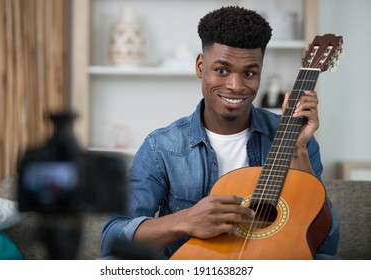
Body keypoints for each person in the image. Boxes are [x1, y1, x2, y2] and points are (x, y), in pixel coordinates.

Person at [101, 6, 340, 260]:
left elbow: (327, 243)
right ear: (200, 66)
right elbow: (112, 239)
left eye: (249, 73)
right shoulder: (160, 147)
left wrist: (298, 149)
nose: (235, 86)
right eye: (222, 70)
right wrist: (186, 220)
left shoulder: (296, 139)